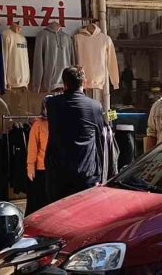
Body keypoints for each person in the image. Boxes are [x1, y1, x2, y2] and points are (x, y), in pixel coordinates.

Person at [44, 66, 107, 202]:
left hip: (58, 174)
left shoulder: (52, 104)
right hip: (86, 174)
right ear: (83, 83)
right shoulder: (94, 106)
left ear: (64, 84)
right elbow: (100, 135)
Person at [26, 108, 49, 215]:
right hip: (42, 169)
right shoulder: (38, 125)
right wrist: (30, 166)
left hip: (57, 169)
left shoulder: (60, 122)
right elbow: (32, 148)